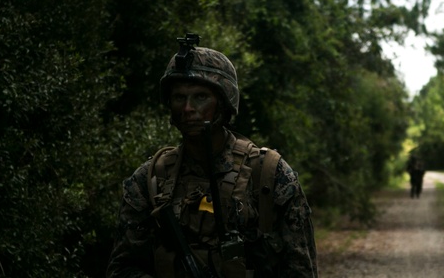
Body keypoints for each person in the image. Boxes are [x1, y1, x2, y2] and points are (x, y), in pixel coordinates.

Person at [107, 34, 318, 277]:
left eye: (200, 97)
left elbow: (301, 269)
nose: (187, 108)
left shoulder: (269, 174)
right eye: (179, 98)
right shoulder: (151, 180)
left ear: (224, 103)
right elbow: (121, 269)